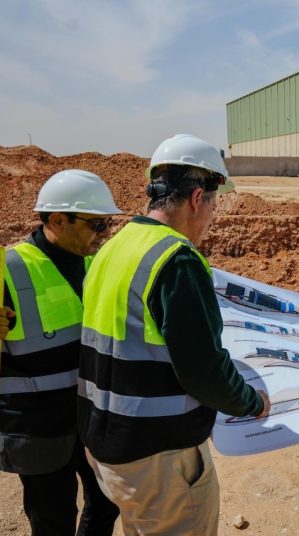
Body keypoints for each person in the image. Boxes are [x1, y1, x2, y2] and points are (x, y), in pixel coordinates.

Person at [77, 134, 271, 535]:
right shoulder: (176, 259)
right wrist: (252, 403)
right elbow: (203, 370)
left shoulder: (114, 248)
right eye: (214, 205)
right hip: (158, 456)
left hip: (107, 445)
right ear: (197, 198)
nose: (212, 217)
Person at [1, 170, 121, 535]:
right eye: (97, 224)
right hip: (38, 427)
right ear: (57, 220)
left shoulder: (95, 263)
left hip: (91, 417)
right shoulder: (9, 268)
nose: (105, 234)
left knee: (107, 503)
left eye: (108, 224)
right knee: (53, 520)